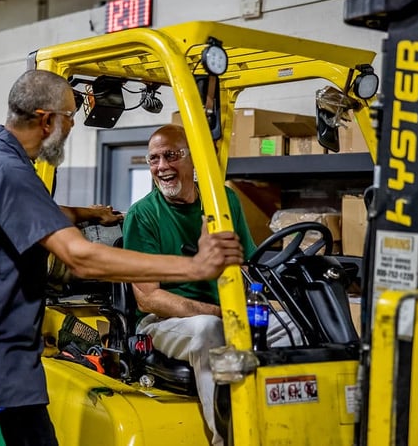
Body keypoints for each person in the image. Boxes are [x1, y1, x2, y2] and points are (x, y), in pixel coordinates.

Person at [0, 70, 244, 446]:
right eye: (70, 117)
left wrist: (89, 214)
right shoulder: (7, 169)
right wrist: (195, 266)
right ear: (46, 120)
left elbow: (31, 211)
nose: (72, 127)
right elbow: (80, 258)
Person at [122, 124, 300, 446]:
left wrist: (251, 305)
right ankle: (229, 438)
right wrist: (221, 312)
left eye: (171, 156)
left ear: (194, 160)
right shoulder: (142, 215)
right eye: (154, 159)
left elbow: (244, 264)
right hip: (164, 323)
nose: (162, 167)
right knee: (208, 330)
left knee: (293, 326)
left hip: (225, 310)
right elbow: (149, 298)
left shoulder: (223, 201)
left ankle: (285, 428)